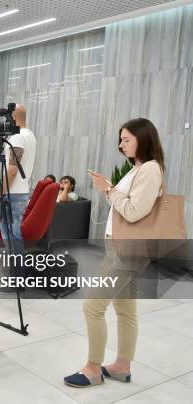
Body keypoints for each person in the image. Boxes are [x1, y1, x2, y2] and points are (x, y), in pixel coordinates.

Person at [64, 118, 164, 388]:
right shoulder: (139, 168)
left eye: (126, 139)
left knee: (92, 306)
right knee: (125, 310)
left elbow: (134, 211)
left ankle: (93, 369)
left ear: (144, 138)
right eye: (120, 140)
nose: (121, 145)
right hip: (122, 248)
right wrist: (109, 187)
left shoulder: (150, 169)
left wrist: (107, 189)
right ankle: (121, 366)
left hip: (125, 251)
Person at [0, 104, 36, 281]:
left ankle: (17, 278)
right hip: (21, 192)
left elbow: (12, 170)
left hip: (12, 194)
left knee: (12, 237)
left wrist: (1, 192)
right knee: (15, 236)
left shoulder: (18, 138)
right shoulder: (30, 136)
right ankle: (17, 275)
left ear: (12, 117)